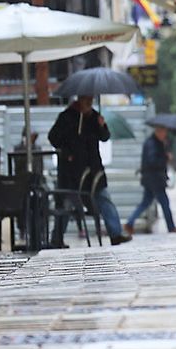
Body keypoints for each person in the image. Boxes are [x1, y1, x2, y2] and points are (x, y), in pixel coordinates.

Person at [47, 95, 129, 246]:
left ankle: (115, 233)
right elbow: (53, 138)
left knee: (104, 199)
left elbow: (104, 137)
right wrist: (68, 151)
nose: (89, 104)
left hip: (93, 171)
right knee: (66, 205)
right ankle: (57, 238)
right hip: (71, 171)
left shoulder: (94, 117)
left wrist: (102, 126)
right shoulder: (66, 117)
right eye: (86, 100)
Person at [128, 125, 176, 233]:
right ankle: (171, 227)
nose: (165, 134)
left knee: (146, 202)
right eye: (164, 132)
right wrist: (166, 157)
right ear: (159, 132)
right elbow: (152, 161)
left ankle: (130, 223)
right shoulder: (152, 144)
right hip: (155, 179)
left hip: (152, 179)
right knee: (164, 203)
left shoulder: (156, 143)